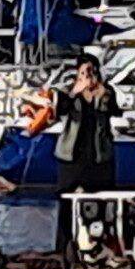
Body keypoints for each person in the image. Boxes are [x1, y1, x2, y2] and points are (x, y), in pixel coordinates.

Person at [51, 53, 122, 195]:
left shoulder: (106, 91)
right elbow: (60, 110)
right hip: (72, 153)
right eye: (83, 72)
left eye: (91, 71)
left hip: (98, 152)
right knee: (67, 196)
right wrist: (73, 93)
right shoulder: (67, 90)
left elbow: (115, 112)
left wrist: (105, 96)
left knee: (101, 195)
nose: (88, 76)